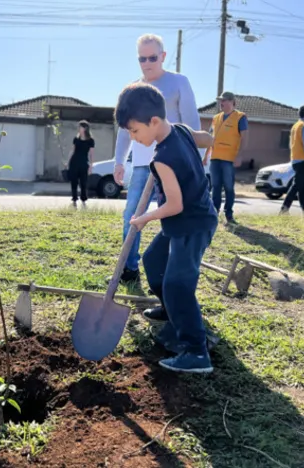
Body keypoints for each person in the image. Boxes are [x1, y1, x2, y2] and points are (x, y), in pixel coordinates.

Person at [116, 83, 217, 374]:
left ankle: (196, 351)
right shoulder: (182, 130)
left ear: (155, 122)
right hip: (184, 219)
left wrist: (144, 217)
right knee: (152, 260)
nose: (134, 138)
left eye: (135, 132)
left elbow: (174, 204)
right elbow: (206, 138)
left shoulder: (162, 160)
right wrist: (209, 141)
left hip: (192, 223)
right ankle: (171, 311)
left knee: (178, 284)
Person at [112, 33, 201, 287]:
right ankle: (129, 269)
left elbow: (191, 124)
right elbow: (123, 129)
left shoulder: (179, 82)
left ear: (162, 56)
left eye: (152, 57)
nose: (147, 63)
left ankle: (174, 273)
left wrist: (194, 160)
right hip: (142, 166)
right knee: (131, 214)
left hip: (174, 163)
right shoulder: (133, 90)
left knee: (174, 215)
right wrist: (119, 161)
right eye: (142, 58)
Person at [204, 91, 248, 224]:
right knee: (215, 186)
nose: (221, 103)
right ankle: (214, 212)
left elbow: (244, 138)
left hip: (229, 158)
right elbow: (210, 138)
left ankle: (229, 214)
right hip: (215, 157)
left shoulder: (240, 117)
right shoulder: (216, 118)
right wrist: (206, 155)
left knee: (228, 187)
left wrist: (240, 155)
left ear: (231, 102)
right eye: (220, 101)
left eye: (224, 100)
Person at [280, 104, 304, 214]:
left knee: (301, 184)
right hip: (302, 159)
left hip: (295, 158)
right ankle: (285, 208)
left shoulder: (296, 126)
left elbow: (295, 144)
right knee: (297, 184)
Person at [67, 120, 95, 207]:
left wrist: (91, 165)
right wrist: (68, 162)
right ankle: (74, 199)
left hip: (84, 163)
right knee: (74, 181)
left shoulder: (90, 140)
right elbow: (72, 150)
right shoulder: (76, 139)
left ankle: (83, 199)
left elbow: (91, 153)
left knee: (83, 182)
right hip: (74, 162)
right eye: (78, 127)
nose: (78, 128)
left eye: (80, 127)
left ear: (85, 128)